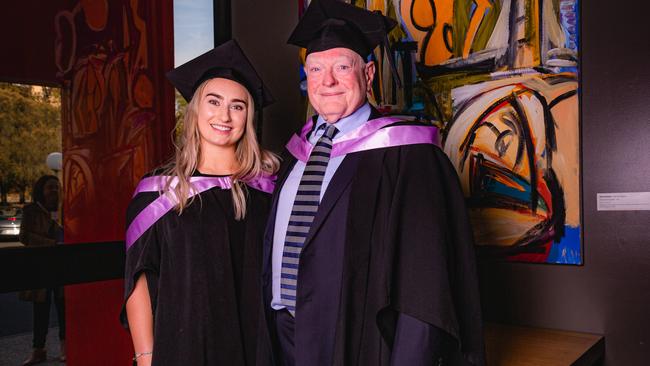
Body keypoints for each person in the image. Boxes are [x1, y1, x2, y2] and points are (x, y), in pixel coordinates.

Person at [257, 0, 486, 365]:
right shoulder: (293, 156)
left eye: (341, 67)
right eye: (315, 68)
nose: (327, 80)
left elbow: (425, 281)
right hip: (283, 335)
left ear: (369, 73)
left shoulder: (408, 156)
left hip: (360, 340)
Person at [121, 39, 279, 366]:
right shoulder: (160, 192)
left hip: (258, 345)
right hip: (185, 347)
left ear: (248, 117)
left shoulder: (270, 190)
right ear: (195, 109)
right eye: (214, 101)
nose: (224, 115)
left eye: (238, 105)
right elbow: (140, 280)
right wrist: (146, 356)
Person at [19, 175, 65, 365]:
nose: (54, 190)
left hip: (62, 267)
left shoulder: (64, 210)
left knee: (63, 308)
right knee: (40, 310)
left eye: (57, 187)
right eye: (50, 187)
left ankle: (65, 348)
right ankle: (38, 350)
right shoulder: (31, 211)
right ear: (41, 190)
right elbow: (24, 236)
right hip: (39, 268)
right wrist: (52, 243)